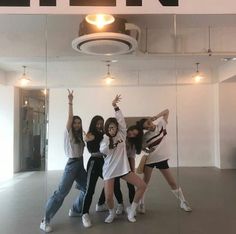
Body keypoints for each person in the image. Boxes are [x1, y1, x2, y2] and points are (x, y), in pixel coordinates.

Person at [40, 90, 87, 233]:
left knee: (87, 188)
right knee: (60, 193)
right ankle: (45, 220)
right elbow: (70, 117)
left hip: (80, 163)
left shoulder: (80, 136)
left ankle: (76, 209)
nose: (77, 125)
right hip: (72, 165)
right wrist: (70, 102)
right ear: (72, 124)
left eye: (79, 123)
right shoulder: (68, 133)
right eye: (75, 123)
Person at [100, 94, 146, 223]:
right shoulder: (105, 139)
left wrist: (115, 106)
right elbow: (102, 150)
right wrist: (109, 142)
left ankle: (132, 210)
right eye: (109, 127)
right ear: (106, 129)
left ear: (117, 127)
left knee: (142, 186)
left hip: (123, 169)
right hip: (109, 170)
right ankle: (111, 212)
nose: (112, 129)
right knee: (108, 197)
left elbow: (121, 120)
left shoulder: (122, 134)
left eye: (113, 127)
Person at [137, 109, 192, 214]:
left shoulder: (161, 125)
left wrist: (155, 117)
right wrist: (147, 150)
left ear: (150, 121)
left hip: (162, 160)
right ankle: (141, 203)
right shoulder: (145, 137)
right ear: (145, 129)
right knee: (145, 183)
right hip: (150, 160)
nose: (150, 126)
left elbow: (167, 111)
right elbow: (141, 148)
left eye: (149, 123)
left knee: (172, 182)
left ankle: (183, 201)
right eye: (146, 127)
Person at [96, 125, 143, 215]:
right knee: (113, 184)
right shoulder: (120, 135)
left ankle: (132, 206)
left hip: (126, 163)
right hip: (114, 163)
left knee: (131, 185)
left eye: (134, 134)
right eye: (132, 130)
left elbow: (132, 157)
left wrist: (132, 170)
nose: (131, 133)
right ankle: (119, 204)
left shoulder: (132, 144)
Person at [79, 115, 105, 228]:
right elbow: (87, 138)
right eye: (97, 123)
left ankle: (100, 204)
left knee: (111, 182)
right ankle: (84, 213)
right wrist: (86, 137)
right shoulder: (91, 134)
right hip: (94, 162)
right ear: (94, 123)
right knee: (90, 189)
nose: (99, 125)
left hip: (103, 162)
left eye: (101, 123)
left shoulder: (103, 133)